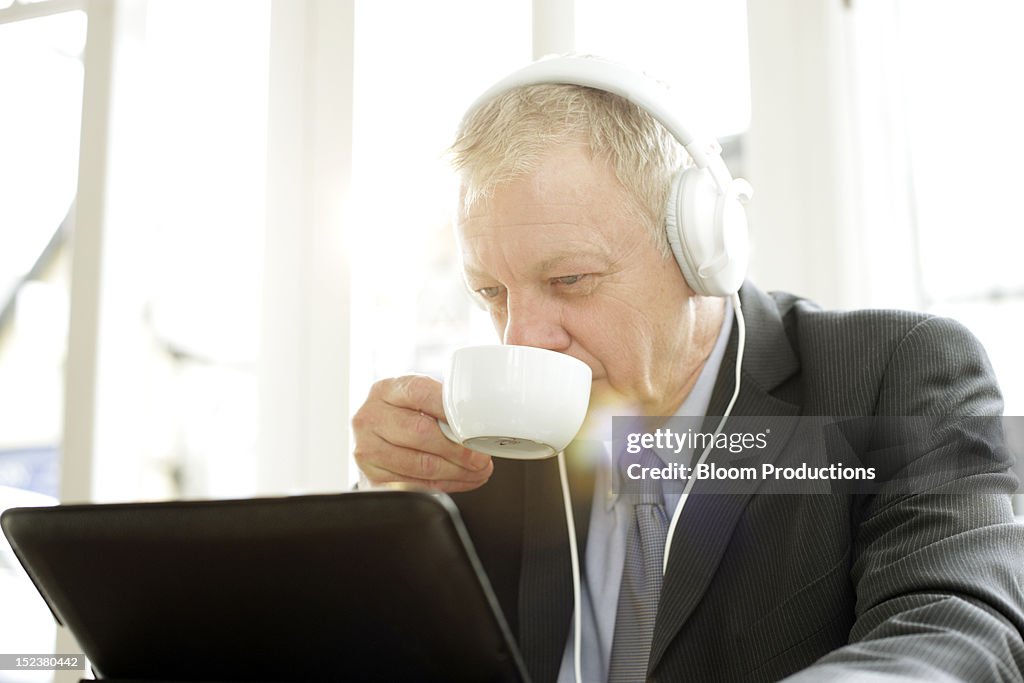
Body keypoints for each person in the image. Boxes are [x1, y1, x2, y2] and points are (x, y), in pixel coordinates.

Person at [352, 56, 1024, 682]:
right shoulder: (495, 437)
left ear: (703, 250)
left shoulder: (894, 374)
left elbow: (961, 630)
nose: (522, 338)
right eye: (492, 292)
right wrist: (380, 509)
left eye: (569, 278)